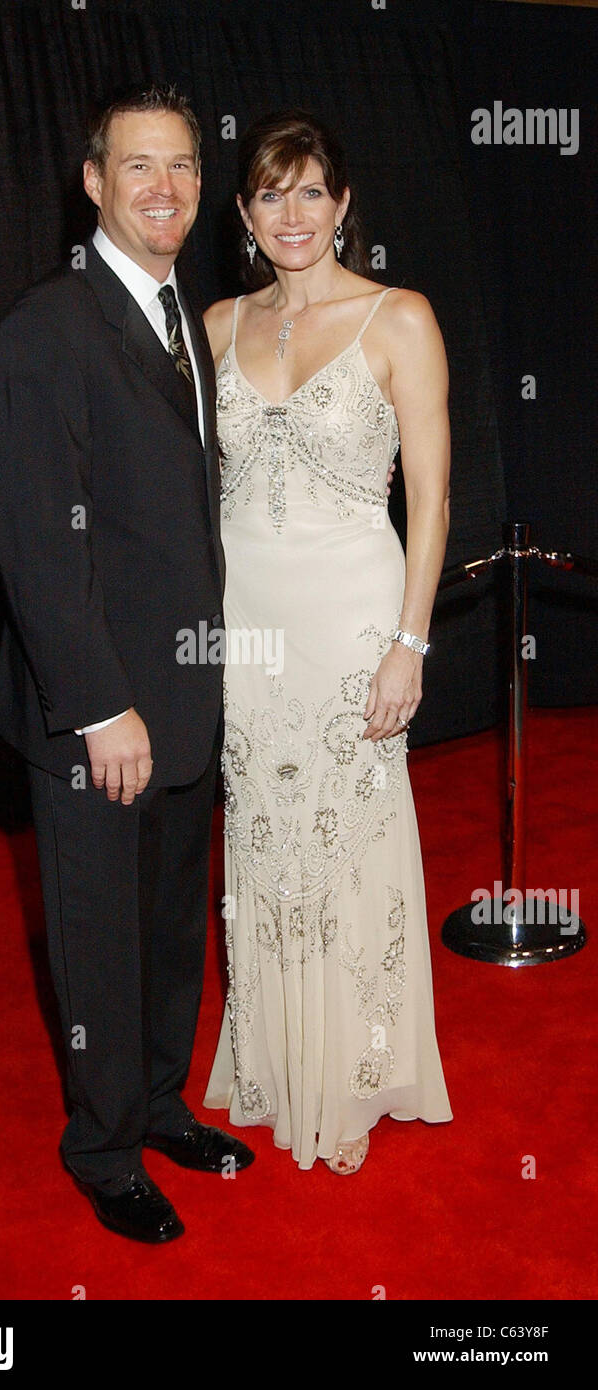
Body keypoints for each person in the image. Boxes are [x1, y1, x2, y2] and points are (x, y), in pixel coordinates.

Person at [0, 85, 253, 1245]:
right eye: (138, 167)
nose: (165, 189)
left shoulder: (176, 314)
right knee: (98, 938)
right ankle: (99, 1146)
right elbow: (40, 538)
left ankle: (155, 1104)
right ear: (91, 180)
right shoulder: (47, 325)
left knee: (164, 929)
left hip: (183, 695)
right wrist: (101, 706)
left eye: (184, 168)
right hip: (100, 712)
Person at [202, 110, 453, 1173]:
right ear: (246, 211)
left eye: (310, 192)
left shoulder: (398, 317)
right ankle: (275, 1057)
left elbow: (434, 499)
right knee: (264, 833)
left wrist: (411, 642)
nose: (291, 214)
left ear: (343, 204)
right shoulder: (214, 325)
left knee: (348, 841)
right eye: (269, 194)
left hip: (355, 615)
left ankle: (357, 1067)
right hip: (248, 625)